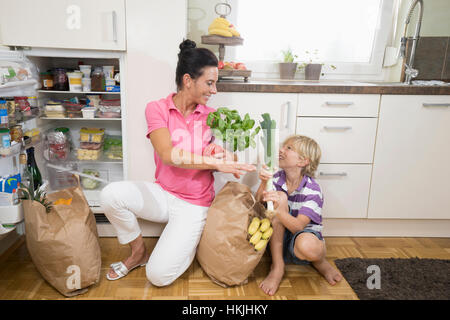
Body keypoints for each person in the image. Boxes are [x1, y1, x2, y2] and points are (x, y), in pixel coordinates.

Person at [100, 39, 255, 286]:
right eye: (210, 83)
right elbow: (168, 154)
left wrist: (224, 155)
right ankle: (138, 252)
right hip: (163, 194)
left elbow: (231, 162)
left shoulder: (213, 117)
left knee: (158, 277)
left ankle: (187, 241)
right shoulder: (157, 109)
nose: (215, 90)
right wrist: (211, 162)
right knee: (110, 195)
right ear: (187, 80)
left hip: (194, 204)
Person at [255, 135, 342, 296]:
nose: (281, 150)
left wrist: (278, 211)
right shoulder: (276, 178)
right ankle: (277, 266)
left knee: (307, 246)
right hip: (278, 239)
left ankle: (319, 261)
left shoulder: (313, 190)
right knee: (279, 197)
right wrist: (262, 182)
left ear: (302, 162)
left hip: (302, 236)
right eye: (283, 146)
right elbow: (259, 200)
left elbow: (298, 226)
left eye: (289, 148)